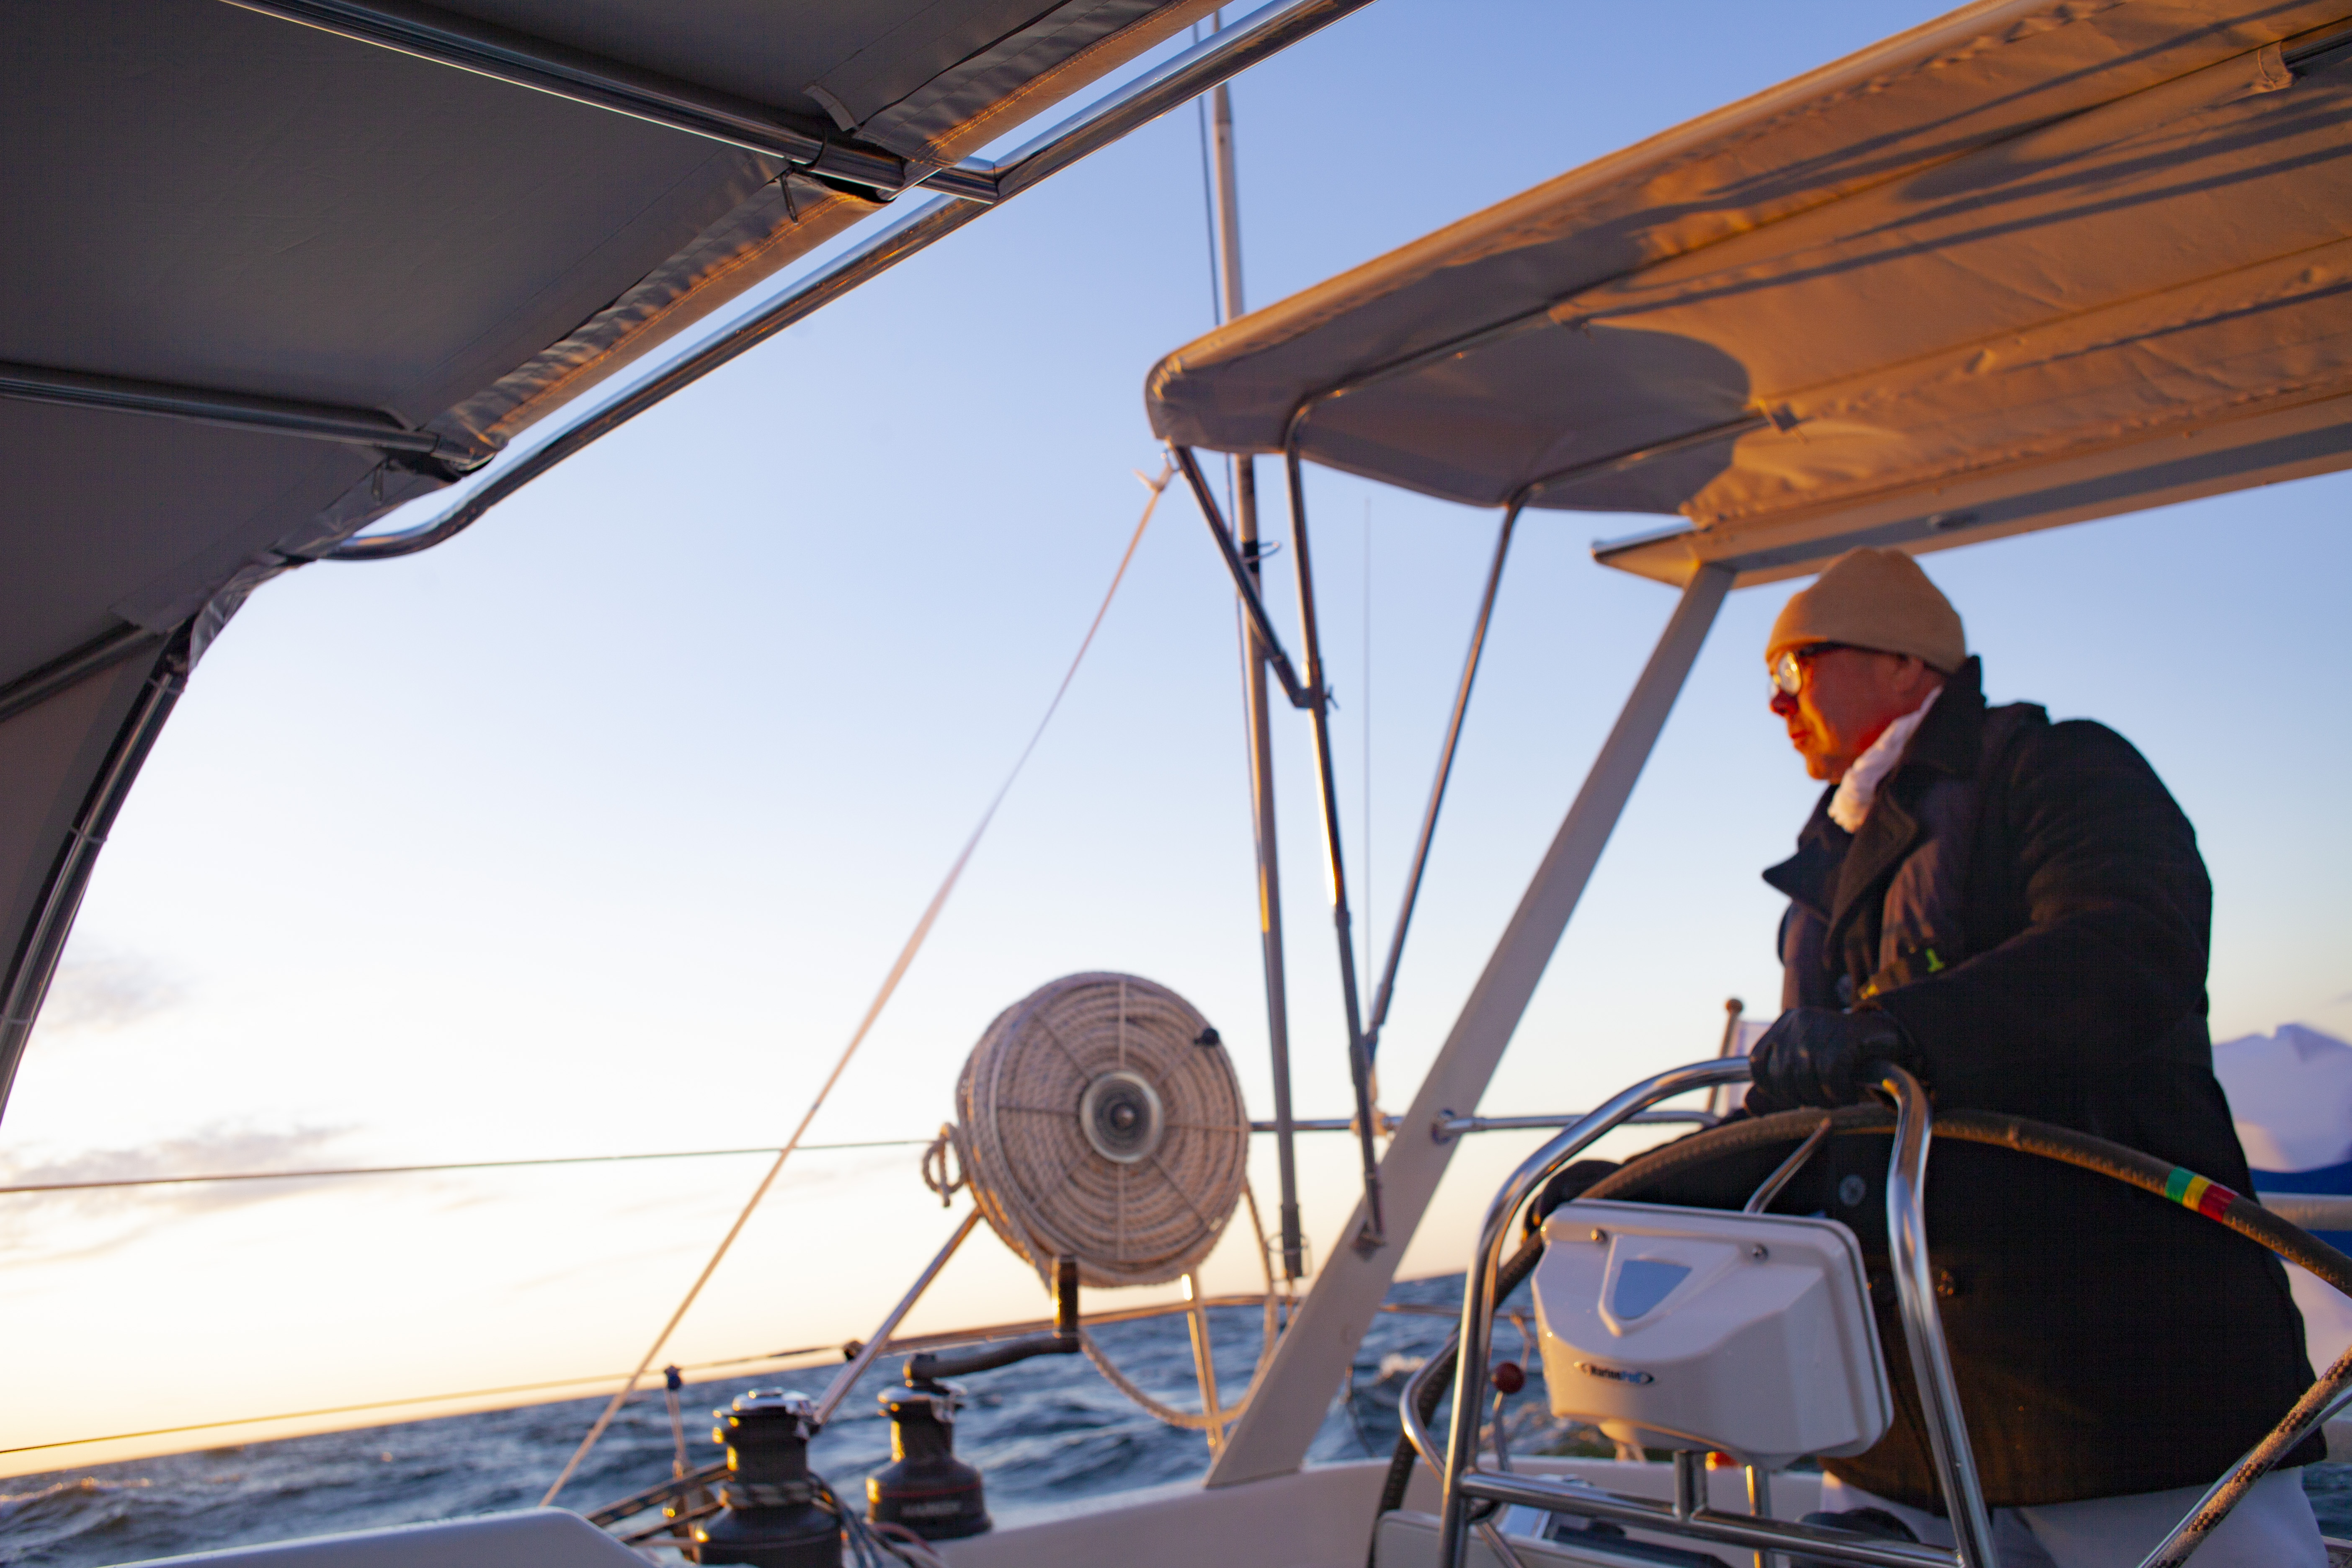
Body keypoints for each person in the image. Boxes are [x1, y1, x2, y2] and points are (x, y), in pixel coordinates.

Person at [1745, 547, 2328, 1566]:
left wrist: (1900, 1029)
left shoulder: (2057, 768)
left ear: (1901, 661)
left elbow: (2129, 949)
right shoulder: (1824, 871)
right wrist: (1626, 1192)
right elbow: (1801, 1102)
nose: (1777, 704)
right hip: (1901, 1411)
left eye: (1794, 669)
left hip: (2119, 1385)